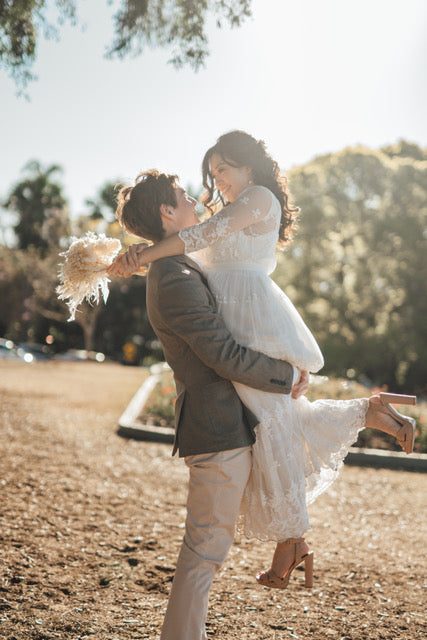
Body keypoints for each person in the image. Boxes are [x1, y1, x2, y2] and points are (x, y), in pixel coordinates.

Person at [109, 132, 416, 592]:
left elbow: (196, 236)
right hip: (235, 316)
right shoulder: (234, 206)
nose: (218, 183)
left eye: (222, 171)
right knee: (281, 416)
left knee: (274, 420)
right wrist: (135, 255)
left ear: (248, 165)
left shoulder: (258, 197)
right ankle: (368, 415)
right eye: (212, 175)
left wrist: (140, 257)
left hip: (251, 316)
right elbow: (190, 243)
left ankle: (291, 541)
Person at [112, 169, 310, 640]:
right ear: (166, 212)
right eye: (182, 198)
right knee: (202, 557)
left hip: (225, 426)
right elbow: (221, 353)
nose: (195, 202)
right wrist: (286, 375)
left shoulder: (178, 264)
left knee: (204, 556)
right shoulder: (174, 276)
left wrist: (132, 257)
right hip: (215, 429)